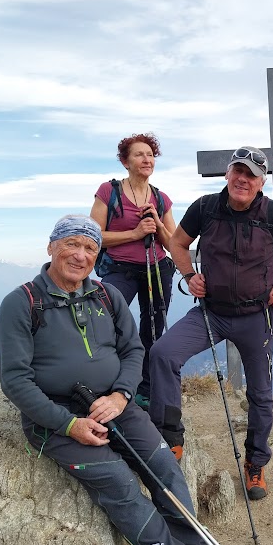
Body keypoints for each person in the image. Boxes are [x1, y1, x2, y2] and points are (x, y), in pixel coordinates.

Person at [0, 215, 243, 545]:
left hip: (115, 404)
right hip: (58, 418)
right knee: (120, 483)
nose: (80, 255)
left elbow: (133, 351)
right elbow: (15, 381)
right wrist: (69, 424)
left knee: (165, 469)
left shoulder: (106, 296)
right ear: (51, 247)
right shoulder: (22, 302)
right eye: (71, 244)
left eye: (90, 248)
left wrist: (122, 395)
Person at [149, 146, 273, 500]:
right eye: (239, 171)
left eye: (251, 175)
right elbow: (177, 243)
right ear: (227, 174)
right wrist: (189, 275)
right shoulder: (205, 208)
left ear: (261, 182)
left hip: (256, 316)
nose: (243, 179)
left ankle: (256, 463)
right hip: (212, 313)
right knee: (162, 354)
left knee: (260, 394)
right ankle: (170, 437)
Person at [90, 133, 177, 418]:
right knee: (107, 324)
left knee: (153, 329)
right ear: (125, 162)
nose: (147, 159)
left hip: (157, 268)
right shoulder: (109, 191)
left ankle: (145, 389)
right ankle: (108, 383)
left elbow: (173, 243)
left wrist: (157, 223)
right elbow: (94, 236)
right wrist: (135, 233)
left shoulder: (161, 199)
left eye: (150, 155)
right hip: (120, 268)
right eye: (139, 154)